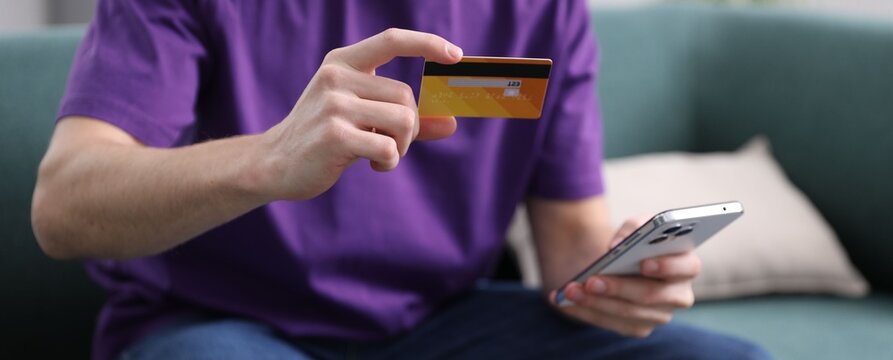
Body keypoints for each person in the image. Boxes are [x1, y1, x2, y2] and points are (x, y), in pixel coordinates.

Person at [31, 1, 770, 359]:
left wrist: (618, 282)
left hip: (441, 325)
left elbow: (570, 248)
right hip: (218, 325)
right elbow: (62, 208)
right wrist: (269, 160)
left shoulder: (544, 10)